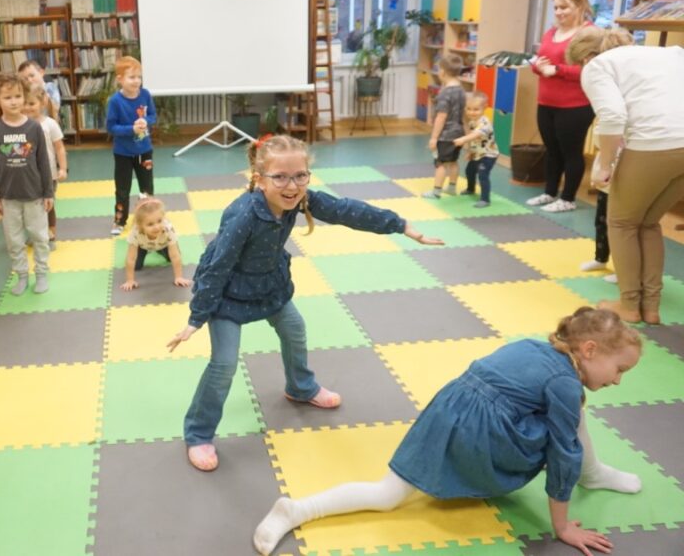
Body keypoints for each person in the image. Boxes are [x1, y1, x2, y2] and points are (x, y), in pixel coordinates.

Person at [254, 306, 643, 556]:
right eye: (620, 369)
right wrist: (561, 527)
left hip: (446, 414)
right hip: (480, 437)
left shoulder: (536, 347)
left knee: (385, 493)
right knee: (569, 421)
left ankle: (298, 508)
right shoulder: (565, 383)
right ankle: (592, 474)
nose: (618, 380)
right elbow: (563, 453)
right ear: (589, 350)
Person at [167, 135, 443, 472]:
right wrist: (197, 318)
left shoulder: (300, 200)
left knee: (295, 329)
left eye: (300, 175)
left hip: (270, 286)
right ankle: (198, 433)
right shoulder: (243, 215)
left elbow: (345, 211)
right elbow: (218, 265)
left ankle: (301, 387)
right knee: (224, 365)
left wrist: (401, 225)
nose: (292, 185)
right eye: (280, 177)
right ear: (259, 178)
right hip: (229, 294)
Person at [567, 26, 684, 325]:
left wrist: (604, 166)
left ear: (589, 56)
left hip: (653, 145)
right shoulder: (669, 53)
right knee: (647, 222)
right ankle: (652, 307)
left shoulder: (598, 66)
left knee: (621, 222)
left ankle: (630, 305)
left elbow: (614, 116)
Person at [526, 0, 596, 213]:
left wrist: (558, 70)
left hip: (574, 106)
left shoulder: (589, 34)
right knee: (552, 150)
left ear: (580, 5)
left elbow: (591, 70)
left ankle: (568, 198)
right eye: (556, 7)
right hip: (546, 102)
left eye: (564, 7)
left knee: (571, 152)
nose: (558, 12)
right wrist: (538, 67)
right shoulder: (551, 32)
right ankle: (549, 192)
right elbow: (542, 62)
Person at [0, 73, 54, 295]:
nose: (14, 101)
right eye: (7, 97)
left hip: (34, 195)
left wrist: (48, 192)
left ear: (24, 97)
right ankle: (22, 275)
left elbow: (43, 162)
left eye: (18, 96)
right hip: (8, 197)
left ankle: (41, 273)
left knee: (39, 237)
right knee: (14, 241)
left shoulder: (34, 128)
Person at [106, 55, 157, 236]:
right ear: (120, 79)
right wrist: (131, 129)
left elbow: (152, 116)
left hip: (145, 151)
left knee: (147, 188)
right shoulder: (115, 101)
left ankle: (149, 219)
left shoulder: (145, 95)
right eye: (131, 77)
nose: (137, 81)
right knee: (122, 189)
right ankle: (120, 221)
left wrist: (146, 121)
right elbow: (111, 127)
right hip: (123, 154)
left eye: (139, 77)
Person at [23, 85, 68, 250]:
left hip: (48, 173)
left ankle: (51, 232)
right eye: (25, 103)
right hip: (28, 174)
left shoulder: (50, 124)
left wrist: (62, 168)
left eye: (32, 103)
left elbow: (59, 148)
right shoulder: (21, 125)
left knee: (47, 204)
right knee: (30, 205)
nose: (27, 107)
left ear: (42, 104)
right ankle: (35, 233)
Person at [119, 196, 192, 291]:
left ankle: (159, 250)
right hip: (142, 246)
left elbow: (175, 256)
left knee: (172, 258)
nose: (157, 227)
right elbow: (131, 258)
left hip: (163, 244)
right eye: (150, 224)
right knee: (136, 266)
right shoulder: (136, 232)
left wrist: (178, 277)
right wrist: (130, 280)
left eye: (159, 221)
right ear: (140, 225)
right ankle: (149, 250)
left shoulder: (168, 229)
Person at [580, 125, 619, 284]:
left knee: (619, 229)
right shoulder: (610, 120)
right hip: (606, 183)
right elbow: (598, 139)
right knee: (601, 222)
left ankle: (623, 270)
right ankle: (600, 258)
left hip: (624, 184)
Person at [423, 53, 466, 199]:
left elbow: (441, 116)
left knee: (440, 163)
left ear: (442, 72)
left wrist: (434, 138)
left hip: (445, 135)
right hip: (458, 133)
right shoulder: (461, 91)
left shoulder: (445, 94)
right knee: (453, 161)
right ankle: (452, 187)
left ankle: (436, 191)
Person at [453, 91, 499, 208]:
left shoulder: (485, 122)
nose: (472, 112)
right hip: (477, 153)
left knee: (483, 174)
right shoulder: (472, 121)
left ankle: (485, 199)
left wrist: (463, 139)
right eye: (469, 109)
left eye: (476, 109)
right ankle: (470, 188)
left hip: (488, 155)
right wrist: (470, 152)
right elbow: (473, 141)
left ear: (484, 108)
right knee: (469, 171)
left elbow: (476, 135)